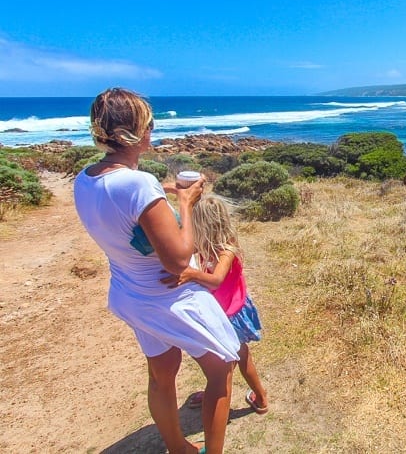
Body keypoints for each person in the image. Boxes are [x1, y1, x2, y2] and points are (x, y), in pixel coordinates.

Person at [73, 88, 240, 454]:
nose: (153, 131)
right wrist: (184, 202)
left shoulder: (85, 178)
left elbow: (122, 207)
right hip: (170, 296)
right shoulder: (137, 184)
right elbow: (179, 260)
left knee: (161, 374)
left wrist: (162, 192)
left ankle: (178, 447)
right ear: (136, 132)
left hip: (130, 293)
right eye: (149, 124)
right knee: (221, 368)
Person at [162, 195, 269, 415]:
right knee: (227, 359)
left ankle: (259, 396)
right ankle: (228, 393)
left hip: (231, 312)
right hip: (222, 311)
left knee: (233, 358)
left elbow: (217, 280)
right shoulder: (206, 245)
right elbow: (182, 250)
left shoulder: (226, 250)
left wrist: (192, 273)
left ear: (204, 225)